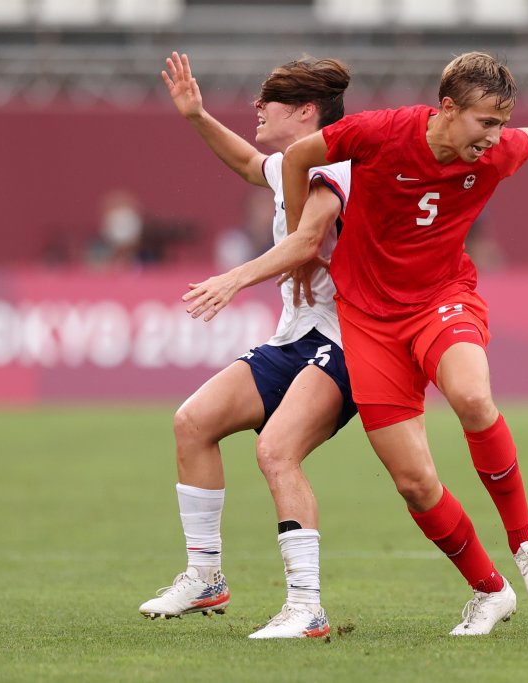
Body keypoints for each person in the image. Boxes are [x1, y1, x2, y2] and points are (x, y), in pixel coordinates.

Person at [274, 52, 528, 635]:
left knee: (473, 397)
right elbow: (299, 154)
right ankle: (489, 591)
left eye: (502, 124)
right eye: (486, 123)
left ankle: (526, 543)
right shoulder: (380, 133)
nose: (496, 137)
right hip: (367, 320)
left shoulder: (498, 151)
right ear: (448, 109)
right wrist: (304, 235)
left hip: (441, 299)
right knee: (414, 483)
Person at [137, 52, 356, 641]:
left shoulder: (338, 165)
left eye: (270, 101)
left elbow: (310, 241)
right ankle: (206, 575)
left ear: (307, 111)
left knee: (277, 452)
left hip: (348, 341)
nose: (257, 108)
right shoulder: (289, 162)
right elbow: (248, 163)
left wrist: (234, 278)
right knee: (193, 422)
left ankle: (307, 606)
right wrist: (197, 116)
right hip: (295, 336)